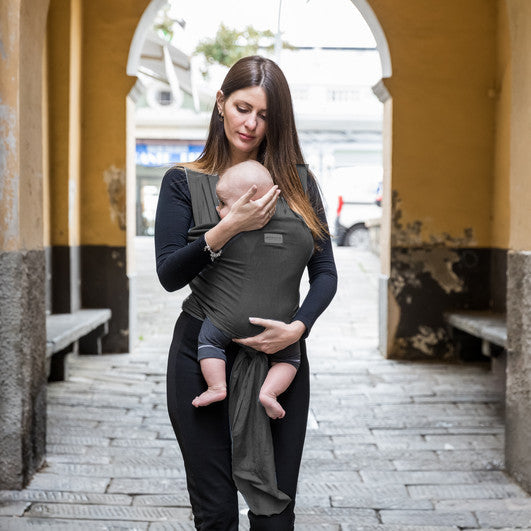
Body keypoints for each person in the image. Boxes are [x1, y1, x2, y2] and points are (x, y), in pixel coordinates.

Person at [155, 55, 337, 530]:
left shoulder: (298, 185)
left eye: (265, 115)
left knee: (275, 510)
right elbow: (169, 274)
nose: (251, 124)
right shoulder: (184, 181)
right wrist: (226, 227)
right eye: (242, 108)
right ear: (220, 103)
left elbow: (326, 273)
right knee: (215, 513)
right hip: (201, 356)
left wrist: (297, 327)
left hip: (279, 363)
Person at [191, 160, 307, 420]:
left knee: (208, 342)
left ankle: (216, 386)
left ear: (247, 203)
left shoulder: (227, 235)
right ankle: (269, 394)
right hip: (282, 324)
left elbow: (196, 263)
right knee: (289, 360)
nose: (217, 208)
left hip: (226, 321)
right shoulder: (298, 231)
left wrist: (226, 226)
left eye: (222, 203)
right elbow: (312, 254)